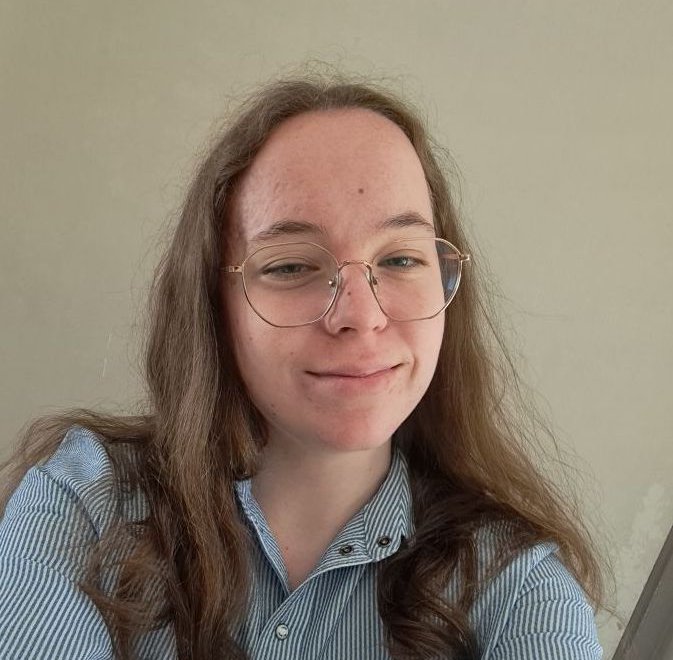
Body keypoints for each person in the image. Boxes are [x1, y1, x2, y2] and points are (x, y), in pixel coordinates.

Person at [0, 73, 608, 659]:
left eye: (400, 259)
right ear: (211, 302)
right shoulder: (85, 505)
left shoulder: (518, 591)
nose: (361, 317)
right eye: (291, 266)